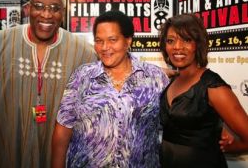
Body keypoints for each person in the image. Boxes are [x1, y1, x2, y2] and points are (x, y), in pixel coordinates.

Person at [0, 0, 96, 168]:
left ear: (63, 13)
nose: (46, 14)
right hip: (9, 150)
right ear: (28, 8)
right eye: (39, 6)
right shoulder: (0, 43)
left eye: (54, 8)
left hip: (59, 156)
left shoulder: (83, 52)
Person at [51, 10, 169, 168]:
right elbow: (62, 133)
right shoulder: (82, 77)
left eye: (112, 40)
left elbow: (176, 128)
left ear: (128, 41)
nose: (105, 47)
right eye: (99, 41)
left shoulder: (155, 78)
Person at [158, 13, 248, 168]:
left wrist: (226, 147)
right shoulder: (171, 81)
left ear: (197, 44)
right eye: (171, 41)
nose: (177, 46)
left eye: (186, 40)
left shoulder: (213, 86)